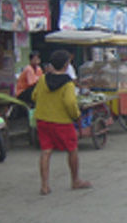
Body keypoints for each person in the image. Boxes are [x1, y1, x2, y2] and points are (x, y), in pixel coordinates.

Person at [32, 49, 91, 196]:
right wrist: (76, 115)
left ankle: (44, 186)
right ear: (66, 65)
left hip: (43, 119)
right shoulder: (68, 84)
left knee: (46, 151)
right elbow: (70, 103)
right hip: (62, 121)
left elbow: (34, 96)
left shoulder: (42, 79)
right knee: (72, 150)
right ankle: (75, 180)